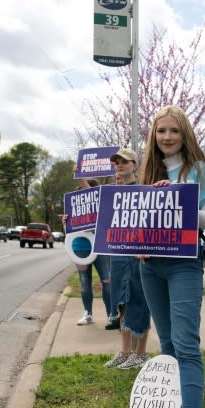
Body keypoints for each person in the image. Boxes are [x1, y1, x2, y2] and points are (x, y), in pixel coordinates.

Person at [138, 105, 205, 408]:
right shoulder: (148, 171)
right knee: (168, 342)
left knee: (186, 344)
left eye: (173, 131)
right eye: (161, 132)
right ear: (153, 137)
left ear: (184, 133)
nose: (167, 137)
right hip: (150, 265)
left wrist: (179, 197)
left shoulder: (198, 169)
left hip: (184, 264)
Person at [103, 147, 153, 370]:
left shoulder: (144, 191)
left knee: (140, 302)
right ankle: (125, 351)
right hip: (118, 256)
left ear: (134, 165)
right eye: (116, 162)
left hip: (138, 255)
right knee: (121, 303)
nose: (119, 165)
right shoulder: (110, 194)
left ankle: (141, 353)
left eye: (124, 162)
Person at [66, 178, 116, 326]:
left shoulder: (103, 206)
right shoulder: (75, 206)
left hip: (100, 246)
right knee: (84, 282)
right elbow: (69, 233)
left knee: (107, 281)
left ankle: (111, 315)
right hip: (80, 247)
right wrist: (66, 223)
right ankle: (88, 314)